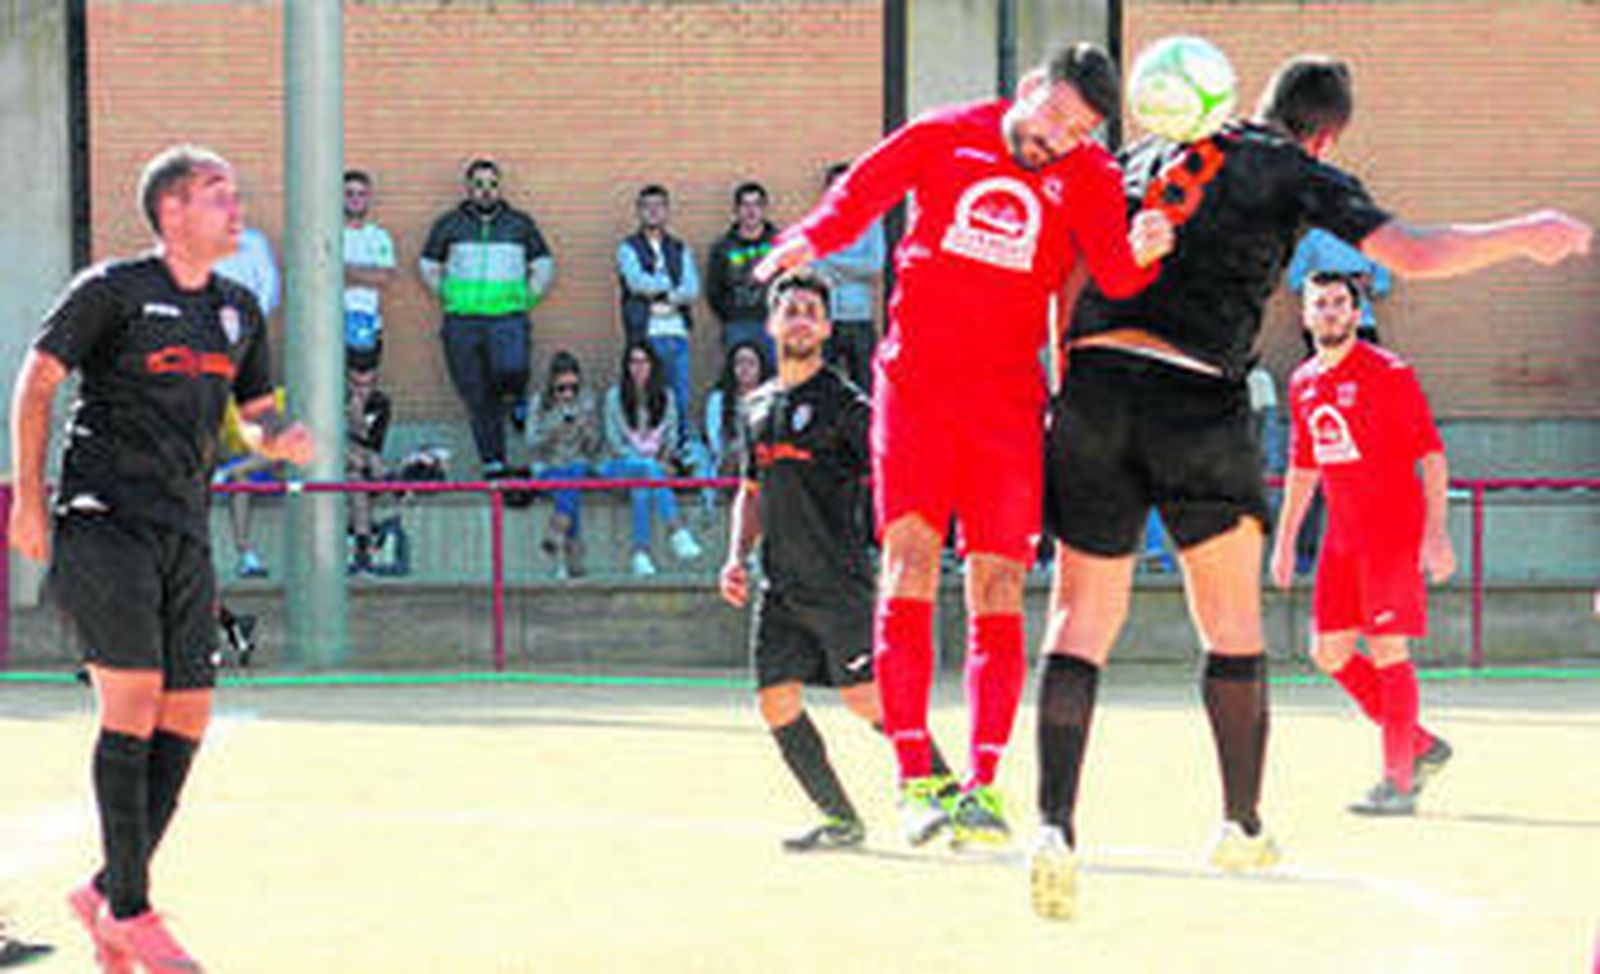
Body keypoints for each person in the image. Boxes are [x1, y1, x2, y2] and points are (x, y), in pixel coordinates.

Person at [1027, 53, 1589, 920]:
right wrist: (1526, 232)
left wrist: (1067, 386)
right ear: (1325, 137)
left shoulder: (1141, 152)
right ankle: (1240, 824)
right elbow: (1413, 252)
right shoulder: (1293, 168)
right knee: (1231, 625)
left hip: (1093, 387)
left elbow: (1069, 269)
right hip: (1196, 395)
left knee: (1078, 621)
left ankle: (1054, 827)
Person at [756, 41, 1172, 848]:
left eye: (1079, 132)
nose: (1059, 140)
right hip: (916, 392)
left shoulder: (1088, 177)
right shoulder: (948, 132)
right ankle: (917, 777)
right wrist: (812, 236)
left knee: (999, 584)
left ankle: (981, 784)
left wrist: (1147, 249)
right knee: (909, 563)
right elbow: (864, 190)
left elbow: (1116, 274)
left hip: (1008, 406)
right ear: (1030, 88)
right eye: (1056, 119)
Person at [8, 145, 313, 970]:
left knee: (189, 714)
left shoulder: (239, 310)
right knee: (133, 703)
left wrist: (276, 439)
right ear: (171, 211)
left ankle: (105, 892)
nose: (236, 208)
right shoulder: (111, 290)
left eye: (236, 194)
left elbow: (253, 415)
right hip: (103, 522)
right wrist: (29, 498)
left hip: (185, 531)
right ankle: (132, 911)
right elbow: (36, 382)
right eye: (217, 195)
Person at [1270, 271, 1455, 816]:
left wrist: (1436, 535)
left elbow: (1432, 456)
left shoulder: (1389, 373)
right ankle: (1420, 745)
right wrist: (1284, 542)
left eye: (1339, 303)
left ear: (1356, 314)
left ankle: (1399, 783)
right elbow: (1304, 466)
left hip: (1393, 533)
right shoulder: (1303, 382)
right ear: (1305, 315)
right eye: (1319, 304)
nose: (1329, 312)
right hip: (1342, 539)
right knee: (1328, 653)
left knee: (1387, 649)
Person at [718, 270, 882, 850]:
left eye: (812, 312)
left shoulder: (848, 405)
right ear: (771, 324)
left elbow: (891, 474)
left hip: (840, 584)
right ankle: (840, 819)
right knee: (775, 701)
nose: (801, 321)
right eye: (791, 311)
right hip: (780, 588)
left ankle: (944, 792)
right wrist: (735, 557)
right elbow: (751, 491)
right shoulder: (755, 406)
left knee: (866, 699)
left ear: (828, 327)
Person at [419, 158, 556, 476]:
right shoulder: (449, 224)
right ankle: (493, 461)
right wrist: (448, 294)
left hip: (507, 317)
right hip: (462, 321)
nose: (486, 190)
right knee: (476, 394)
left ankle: (516, 400)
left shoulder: (519, 223)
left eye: (492, 184)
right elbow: (428, 264)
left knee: (512, 368)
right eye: (479, 184)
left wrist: (526, 297)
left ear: (499, 187)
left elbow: (543, 263)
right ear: (468, 188)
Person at [214, 221, 282, 578]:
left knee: (246, 469)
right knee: (240, 479)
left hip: (264, 461)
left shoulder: (268, 390)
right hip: (237, 464)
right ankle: (246, 555)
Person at [602, 340, 704, 577]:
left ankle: (641, 555)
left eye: (643, 362)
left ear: (653, 366)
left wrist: (661, 461)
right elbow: (614, 443)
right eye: (633, 362)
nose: (638, 368)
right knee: (646, 470)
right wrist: (650, 464)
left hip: (652, 472)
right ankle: (676, 529)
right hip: (618, 467)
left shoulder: (666, 397)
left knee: (642, 487)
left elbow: (671, 440)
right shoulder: (614, 397)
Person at [617, 184, 700, 447]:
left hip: (677, 333)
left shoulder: (679, 248)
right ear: (638, 211)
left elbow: (692, 289)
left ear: (667, 210)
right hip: (646, 334)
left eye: (659, 206)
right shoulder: (628, 248)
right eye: (647, 206)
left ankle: (679, 449)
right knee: (649, 397)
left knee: (680, 397)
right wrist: (671, 287)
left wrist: (661, 293)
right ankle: (650, 450)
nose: (653, 211)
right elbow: (636, 283)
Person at [528, 350, 604, 578]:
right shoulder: (539, 403)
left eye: (573, 388)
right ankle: (573, 552)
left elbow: (594, 446)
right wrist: (554, 426)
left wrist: (585, 427)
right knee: (568, 485)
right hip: (549, 465)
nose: (568, 394)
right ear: (552, 385)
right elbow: (532, 443)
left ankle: (557, 534)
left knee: (573, 474)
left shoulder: (587, 402)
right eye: (562, 389)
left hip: (578, 463)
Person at [814, 161, 885, 391]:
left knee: (865, 388)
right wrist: (853, 269)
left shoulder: (871, 222)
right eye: (835, 186)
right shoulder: (818, 222)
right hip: (825, 318)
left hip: (859, 318)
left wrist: (832, 263)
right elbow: (814, 265)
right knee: (822, 388)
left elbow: (874, 265)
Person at [707, 181, 778, 360]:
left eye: (756, 205)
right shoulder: (723, 247)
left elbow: (791, 280)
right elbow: (714, 289)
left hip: (773, 324)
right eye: (745, 205)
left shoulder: (779, 244)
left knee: (775, 375)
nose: (751, 211)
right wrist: (730, 314)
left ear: (764, 208)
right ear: (736, 210)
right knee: (739, 372)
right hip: (737, 324)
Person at [1289, 228, 1390, 346]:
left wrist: (1368, 285)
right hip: (1323, 325)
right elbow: (1295, 280)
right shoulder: (1315, 238)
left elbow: (1383, 283)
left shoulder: (1372, 239)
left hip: (1361, 322)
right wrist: (1323, 283)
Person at [342, 169, 398, 375]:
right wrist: (367, 273)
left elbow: (385, 277)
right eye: (349, 193)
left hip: (366, 317)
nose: (355, 199)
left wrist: (345, 271)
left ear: (368, 198)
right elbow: (319, 277)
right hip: (328, 319)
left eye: (361, 194)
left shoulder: (379, 236)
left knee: (362, 380)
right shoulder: (326, 234)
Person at [346, 367, 393, 575]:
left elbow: (374, 443)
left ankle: (362, 546)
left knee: (360, 474)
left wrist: (359, 423)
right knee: (357, 474)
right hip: (334, 461)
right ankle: (362, 549)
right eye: (357, 385)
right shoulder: (336, 401)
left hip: (362, 464)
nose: (362, 391)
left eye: (367, 385)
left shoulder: (380, 403)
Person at [702, 340, 773, 479]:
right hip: (728, 466)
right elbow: (715, 442)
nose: (745, 368)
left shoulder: (772, 399)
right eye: (739, 363)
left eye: (751, 363)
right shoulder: (718, 400)